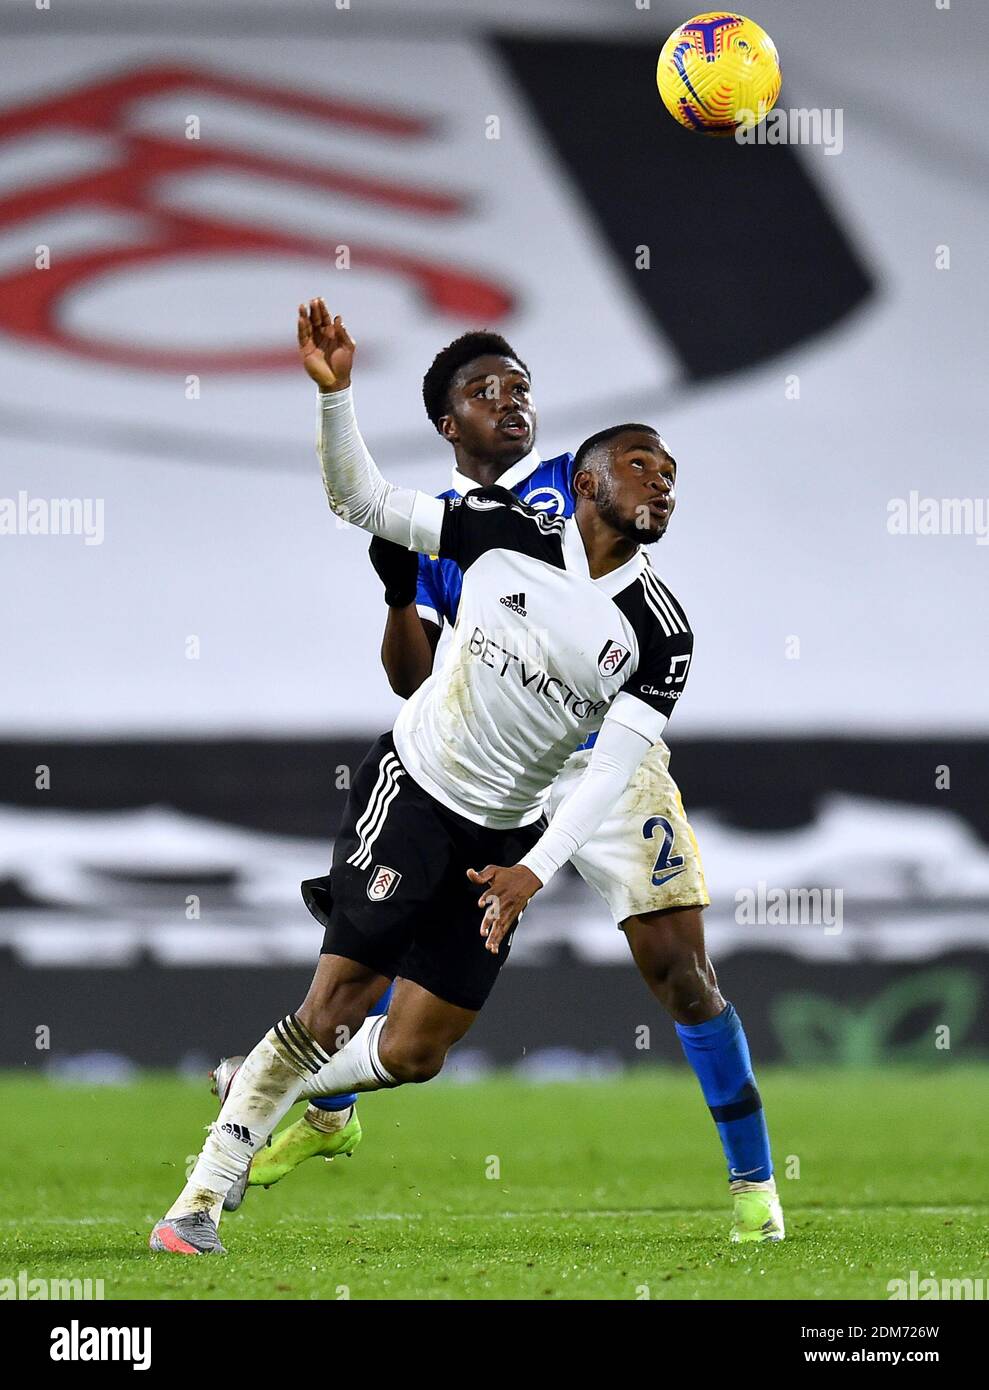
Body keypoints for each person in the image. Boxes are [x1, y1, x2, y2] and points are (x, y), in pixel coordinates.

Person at [149, 298, 705, 1255]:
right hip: (415, 787)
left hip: (507, 834)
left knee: (413, 1052)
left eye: (670, 474)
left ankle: (256, 1078)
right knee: (336, 1000)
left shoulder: (664, 632)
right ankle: (199, 1200)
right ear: (584, 483)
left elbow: (613, 769)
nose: (660, 484)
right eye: (639, 466)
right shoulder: (496, 528)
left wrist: (535, 867)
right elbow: (360, 503)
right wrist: (336, 397)